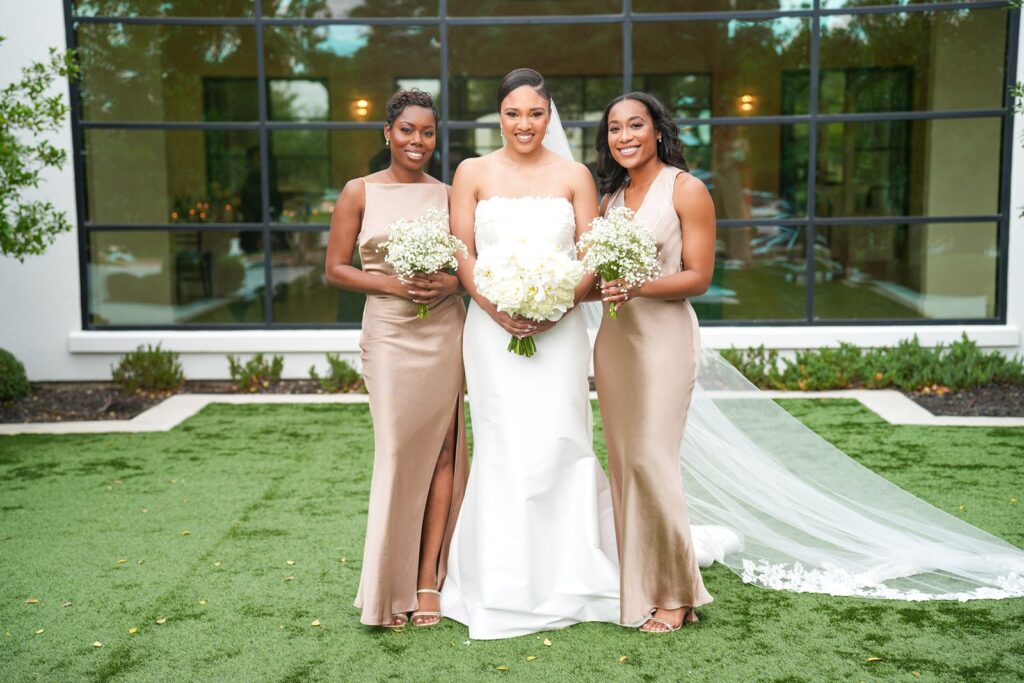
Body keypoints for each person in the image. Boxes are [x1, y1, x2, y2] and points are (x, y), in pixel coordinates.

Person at [439, 68, 621, 640]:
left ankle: (570, 573)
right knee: (502, 441)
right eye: (514, 113)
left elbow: (594, 256)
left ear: (550, 116)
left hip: (561, 330)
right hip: (490, 332)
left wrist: (558, 303)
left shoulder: (575, 176)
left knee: (560, 437)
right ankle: (499, 581)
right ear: (500, 115)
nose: (525, 124)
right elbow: (460, 252)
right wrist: (495, 308)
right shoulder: (471, 172)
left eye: (536, 113)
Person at [325, 89, 468, 628]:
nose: (417, 141)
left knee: (445, 457)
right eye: (407, 129)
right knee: (395, 454)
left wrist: (448, 283)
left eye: (427, 132)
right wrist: (391, 284)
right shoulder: (358, 192)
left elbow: (467, 272)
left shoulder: (450, 195)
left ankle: (429, 580)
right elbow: (336, 268)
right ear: (387, 133)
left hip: (443, 332)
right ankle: (388, 588)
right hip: (388, 335)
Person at [592, 92, 716, 632]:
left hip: (665, 339)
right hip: (617, 342)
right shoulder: (609, 201)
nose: (625, 136)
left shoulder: (687, 190)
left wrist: (641, 285)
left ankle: (678, 594)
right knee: (625, 467)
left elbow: (699, 277)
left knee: (652, 459)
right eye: (615, 128)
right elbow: (596, 278)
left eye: (635, 125)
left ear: (658, 131)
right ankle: (640, 583)